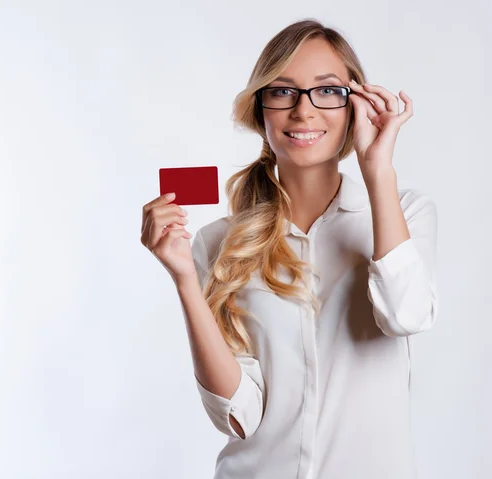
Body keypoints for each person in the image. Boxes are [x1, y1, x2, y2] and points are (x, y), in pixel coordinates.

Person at [140, 19, 438, 479]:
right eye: (282, 92)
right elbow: (238, 414)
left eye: (327, 91)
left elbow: (406, 316)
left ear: (355, 105)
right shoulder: (220, 241)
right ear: (261, 111)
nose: (303, 111)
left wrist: (378, 171)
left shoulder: (406, 214)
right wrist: (184, 280)